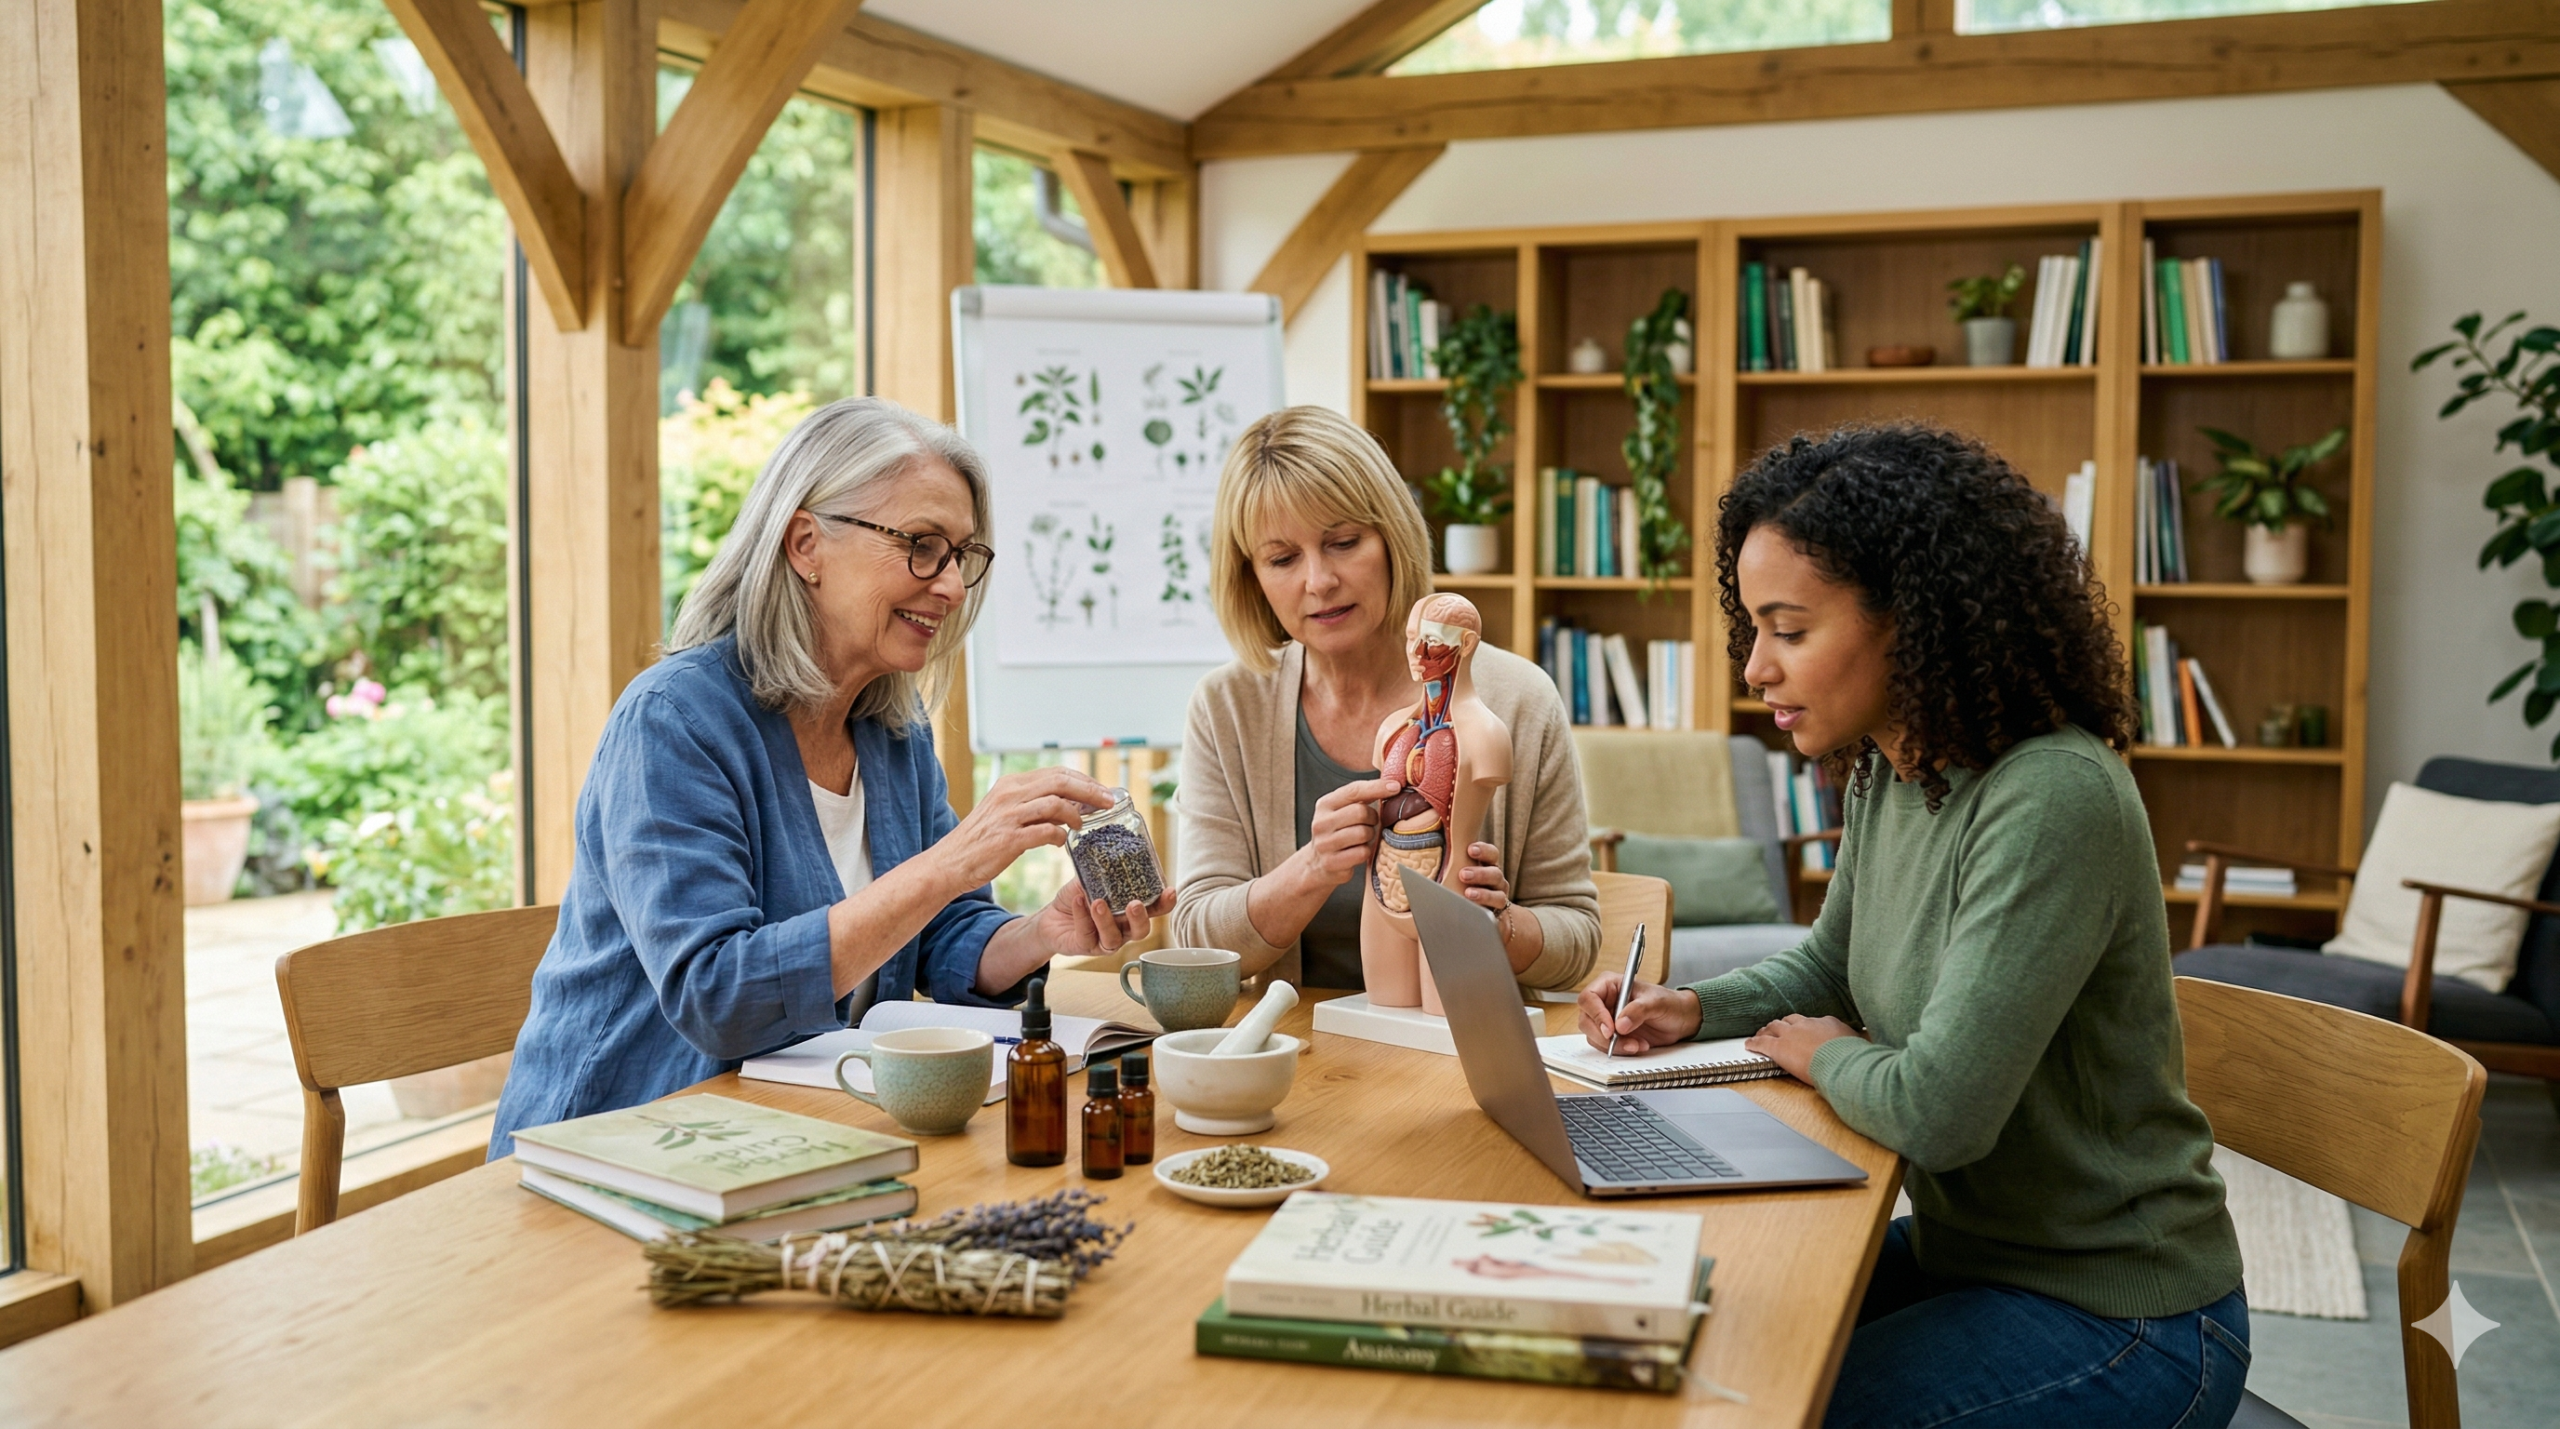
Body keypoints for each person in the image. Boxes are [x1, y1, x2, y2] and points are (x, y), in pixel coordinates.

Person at [1581, 424, 2247, 1429]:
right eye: (1752, 627)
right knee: (1696, 1346)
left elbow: (1938, 1113)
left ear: (1914, 618)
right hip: (1972, 1258)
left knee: (1751, 1410)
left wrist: (1823, 1054)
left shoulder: (2050, 797)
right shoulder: (1896, 770)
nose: (1754, 667)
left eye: (1789, 630)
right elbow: (1830, 967)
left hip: (2126, 1315)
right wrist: (1690, 1008)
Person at [491, 398, 1170, 1155]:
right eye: (922, 546)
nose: (951, 586)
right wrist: (951, 861)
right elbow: (719, 995)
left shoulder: (892, 730)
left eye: (961, 556)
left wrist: (1043, 931)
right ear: (806, 544)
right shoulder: (673, 722)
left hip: (795, 1136)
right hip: (615, 1149)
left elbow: (941, 934)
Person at [1173, 405, 1599, 994]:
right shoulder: (1227, 707)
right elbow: (1195, 937)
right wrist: (1312, 868)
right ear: (1252, 578)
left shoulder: (1519, 700)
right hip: (1296, 1043)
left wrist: (1497, 926)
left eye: (1343, 542)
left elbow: (1576, 938)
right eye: (1283, 559)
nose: (1319, 581)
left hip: (1454, 1042)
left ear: (1392, 538)